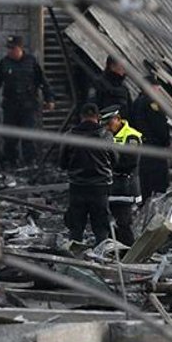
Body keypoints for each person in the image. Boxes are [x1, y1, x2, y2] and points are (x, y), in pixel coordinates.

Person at [0, 35, 55, 166]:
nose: (10, 51)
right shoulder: (4, 63)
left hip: (28, 107)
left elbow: (43, 82)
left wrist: (49, 99)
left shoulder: (31, 62)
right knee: (10, 138)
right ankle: (11, 163)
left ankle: (30, 163)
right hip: (10, 107)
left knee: (28, 136)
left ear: (20, 48)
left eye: (12, 48)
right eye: (8, 48)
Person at [61, 103, 113, 243]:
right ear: (98, 117)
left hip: (77, 187)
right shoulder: (106, 136)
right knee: (101, 228)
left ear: (81, 117)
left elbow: (62, 163)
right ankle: (102, 259)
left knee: (76, 227)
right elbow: (115, 160)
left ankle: (74, 258)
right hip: (100, 187)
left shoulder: (69, 136)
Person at [102, 106, 142, 246]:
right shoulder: (107, 136)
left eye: (109, 123)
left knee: (123, 222)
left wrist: (107, 165)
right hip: (112, 186)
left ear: (118, 119)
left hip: (126, 185)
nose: (107, 127)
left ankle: (129, 251)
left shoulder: (131, 136)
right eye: (104, 124)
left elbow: (130, 162)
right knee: (112, 222)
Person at [127, 79, 171, 201]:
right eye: (156, 88)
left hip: (143, 145)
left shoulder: (137, 102)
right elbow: (159, 125)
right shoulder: (151, 103)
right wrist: (165, 141)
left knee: (145, 179)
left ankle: (145, 202)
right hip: (155, 146)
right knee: (158, 182)